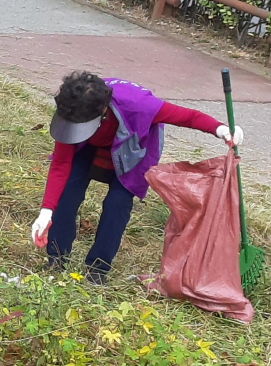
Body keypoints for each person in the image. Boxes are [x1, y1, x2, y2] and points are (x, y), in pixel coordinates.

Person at [32, 69, 235, 280]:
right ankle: (56, 260)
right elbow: (60, 165)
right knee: (67, 191)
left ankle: (98, 269)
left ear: (102, 111)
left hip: (132, 147)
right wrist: (46, 211)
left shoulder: (139, 105)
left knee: (117, 203)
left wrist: (220, 129)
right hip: (87, 145)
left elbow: (188, 117)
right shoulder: (72, 108)